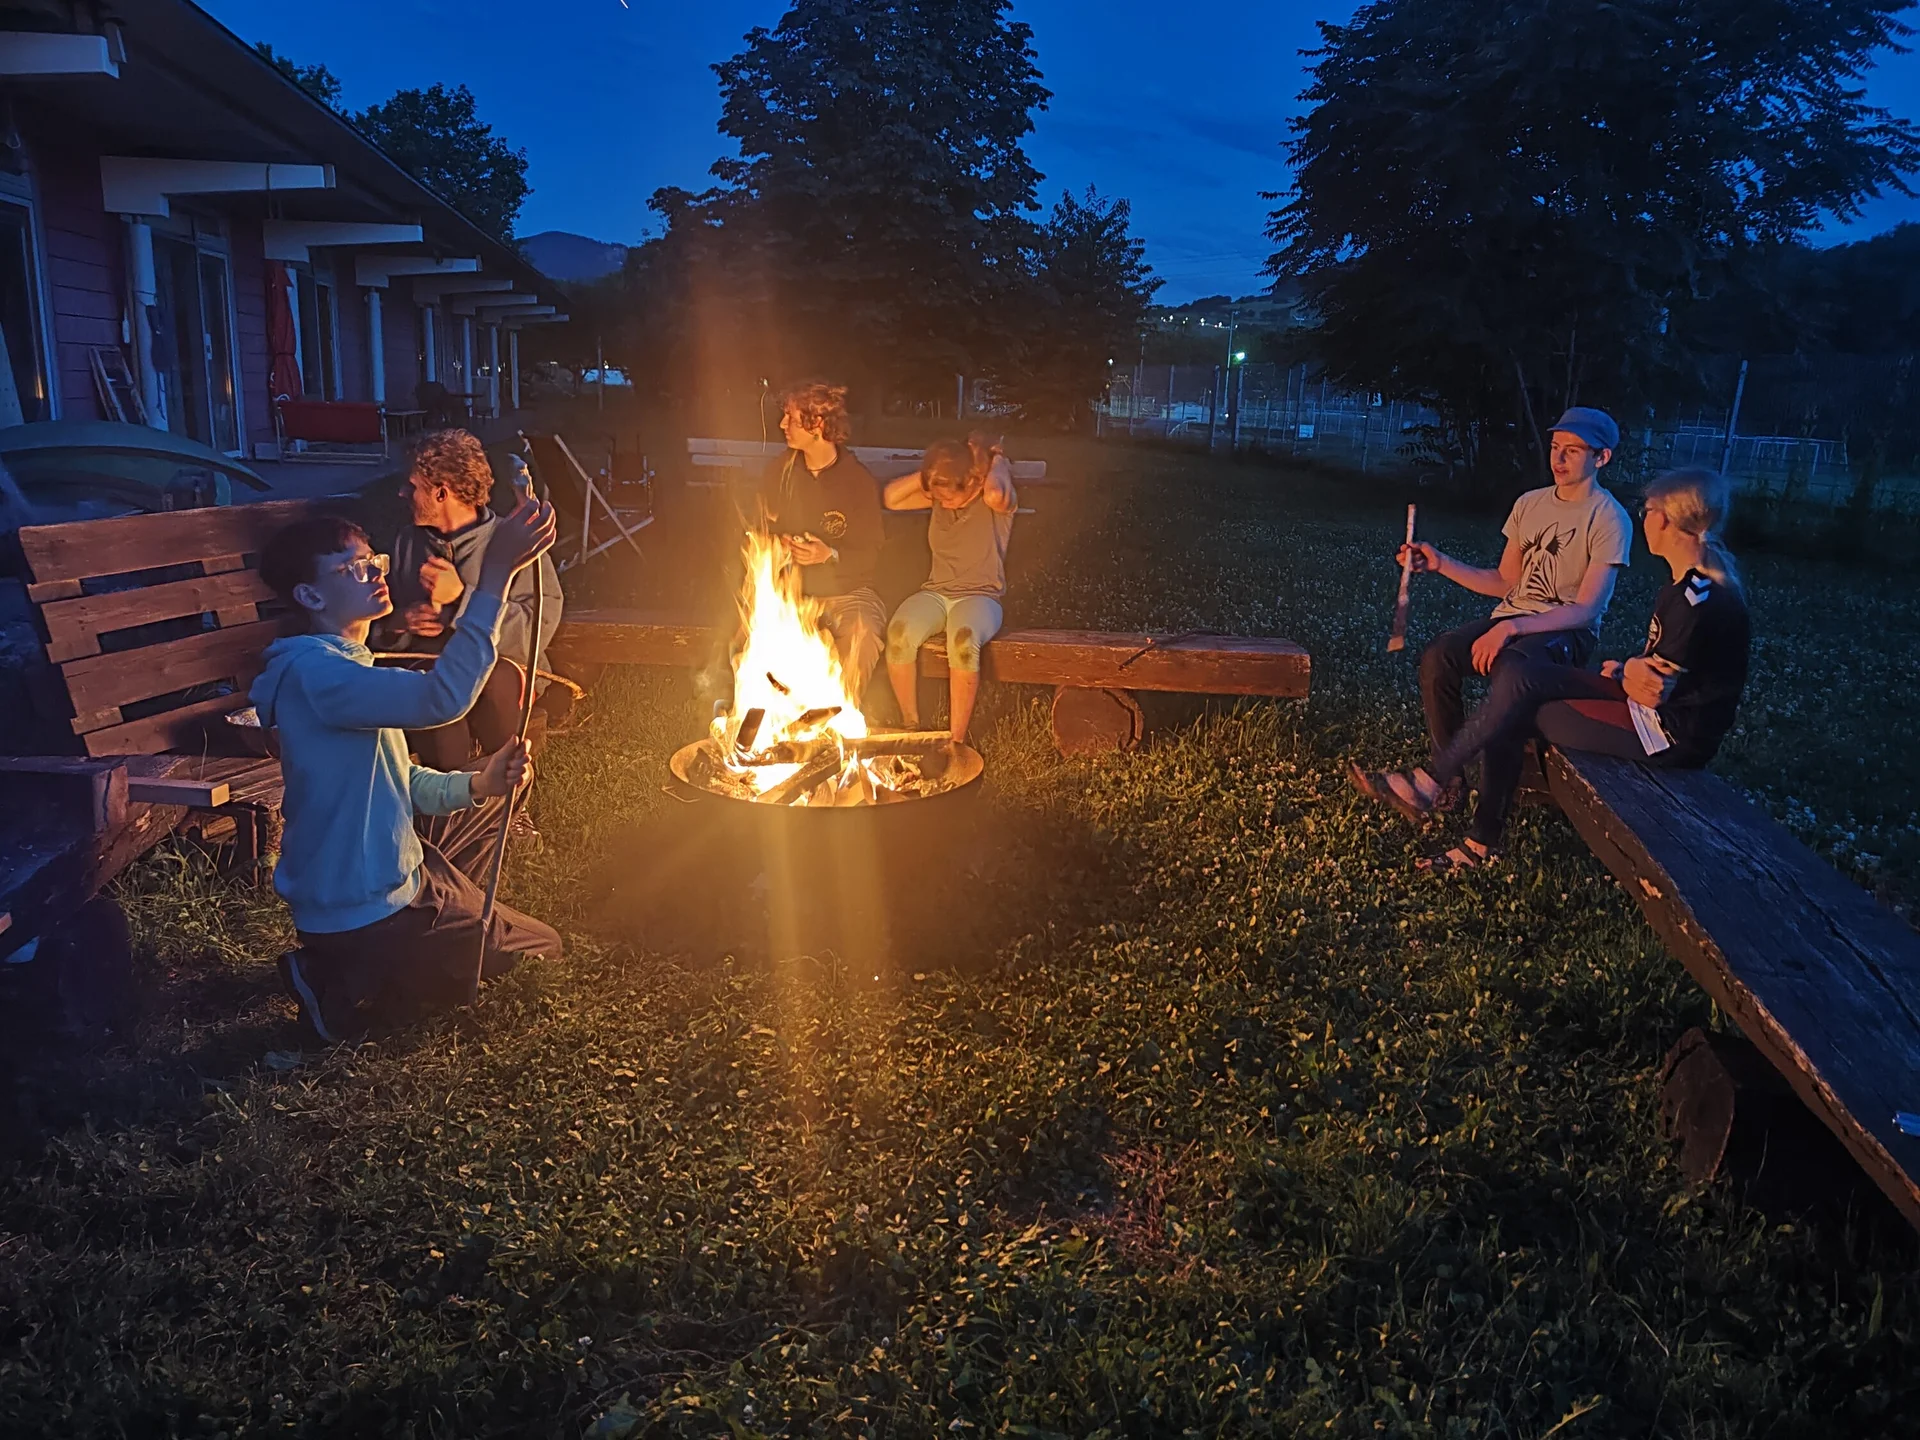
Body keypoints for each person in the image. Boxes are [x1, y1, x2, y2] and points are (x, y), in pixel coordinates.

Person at [252, 499, 563, 1043]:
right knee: (531, 956)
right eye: (354, 568)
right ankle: (339, 980)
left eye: (374, 559)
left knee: (495, 821)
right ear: (310, 596)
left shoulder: (346, 665)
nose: (375, 572)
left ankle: (438, 921)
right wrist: (493, 576)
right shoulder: (319, 676)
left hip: (396, 875)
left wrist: (480, 784)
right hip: (362, 907)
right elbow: (442, 698)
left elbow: (400, 782)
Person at [1353, 467, 1751, 870]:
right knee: (1521, 682)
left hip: (1667, 734)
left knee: (1517, 705)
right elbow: (1655, 673)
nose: (1644, 517)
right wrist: (1624, 672)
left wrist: (1629, 670)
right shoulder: (1687, 587)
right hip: (1649, 713)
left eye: (1647, 509)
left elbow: (1652, 690)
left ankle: (1450, 804)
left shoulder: (1694, 599)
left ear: (1664, 518)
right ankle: (1444, 796)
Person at [1401, 407, 1634, 804]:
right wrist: (1440, 563)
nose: (1557, 459)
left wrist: (1511, 629)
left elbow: (1587, 609)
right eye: (1555, 447)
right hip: (1513, 617)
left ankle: (1451, 787)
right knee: (1440, 656)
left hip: (1566, 631)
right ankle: (1451, 778)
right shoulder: (1530, 504)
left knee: (1512, 668)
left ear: (1602, 457)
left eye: (1572, 451)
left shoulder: (1609, 518)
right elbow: (1505, 581)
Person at [376, 429, 564, 771]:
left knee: (494, 681)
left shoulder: (512, 540)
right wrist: (398, 624)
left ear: (441, 492)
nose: (402, 492)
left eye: (412, 485)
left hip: (505, 671)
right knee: (435, 689)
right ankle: (451, 814)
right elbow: (382, 627)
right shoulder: (408, 543)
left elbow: (534, 634)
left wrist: (461, 601)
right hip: (434, 669)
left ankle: (509, 806)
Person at [752, 381, 886, 694]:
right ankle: (789, 721)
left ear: (818, 425)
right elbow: (759, 526)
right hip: (795, 591)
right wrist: (777, 546)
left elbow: (872, 551)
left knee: (862, 636)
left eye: (791, 418)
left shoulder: (857, 481)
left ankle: (838, 719)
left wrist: (830, 555)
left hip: (849, 591)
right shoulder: (779, 472)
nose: (782, 425)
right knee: (769, 640)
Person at [881, 434, 1017, 743]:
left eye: (948, 494)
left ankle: (956, 740)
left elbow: (995, 491)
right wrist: (934, 472)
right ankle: (910, 726)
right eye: (937, 494)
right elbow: (891, 497)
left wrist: (996, 458)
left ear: (971, 481)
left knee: (962, 640)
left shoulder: (994, 501)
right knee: (899, 633)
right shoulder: (940, 497)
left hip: (981, 596)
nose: (942, 501)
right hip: (936, 592)